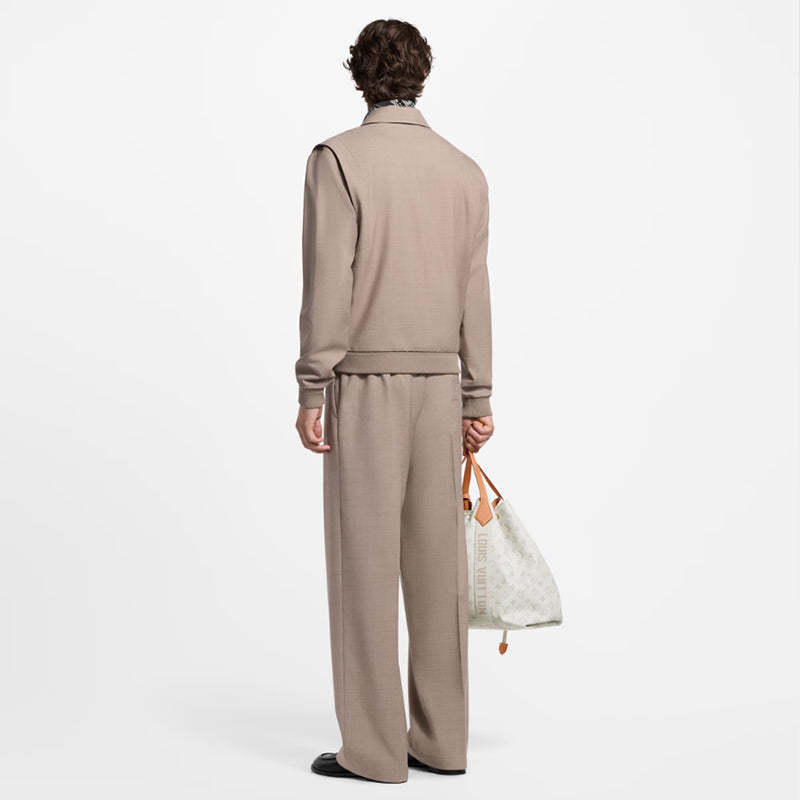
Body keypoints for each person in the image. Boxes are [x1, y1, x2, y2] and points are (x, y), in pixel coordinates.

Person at [294, 19, 495, 784]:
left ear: (360, 76)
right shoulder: (463, 171)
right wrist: (477, 394)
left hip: (366, 385)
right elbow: (475, 291)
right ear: (422, 75)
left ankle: (374, 752)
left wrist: (313, 384)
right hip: (441, 388)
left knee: (365, 567)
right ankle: (441, 742)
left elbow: (329, 282)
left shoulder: (338, 159)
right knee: (439, 572)